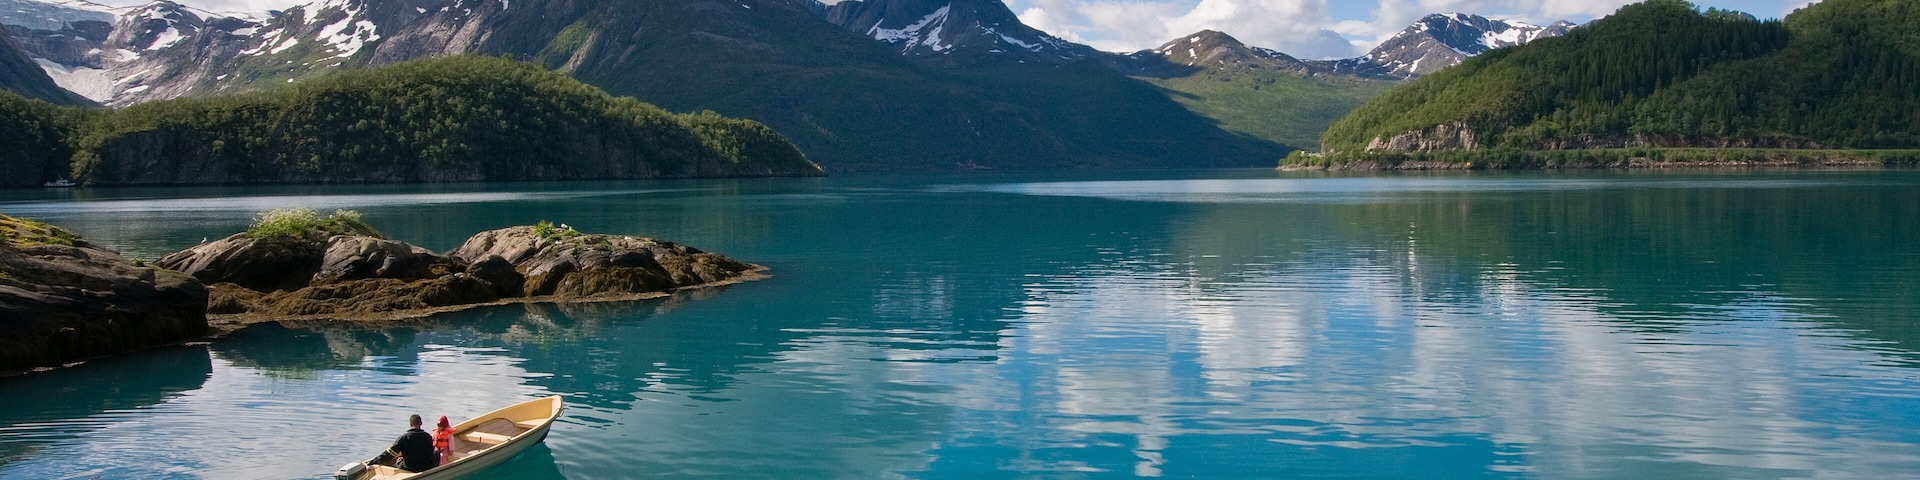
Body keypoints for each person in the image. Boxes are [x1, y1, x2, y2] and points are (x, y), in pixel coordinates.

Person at [370, 414, 439, 472]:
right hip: (426, 467)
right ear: (421, 423)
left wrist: (374, 461)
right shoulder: (428, 437)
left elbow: (389, 454)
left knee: (397, 458)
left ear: (410, 424)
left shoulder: (404, 438)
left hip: (409, 468)